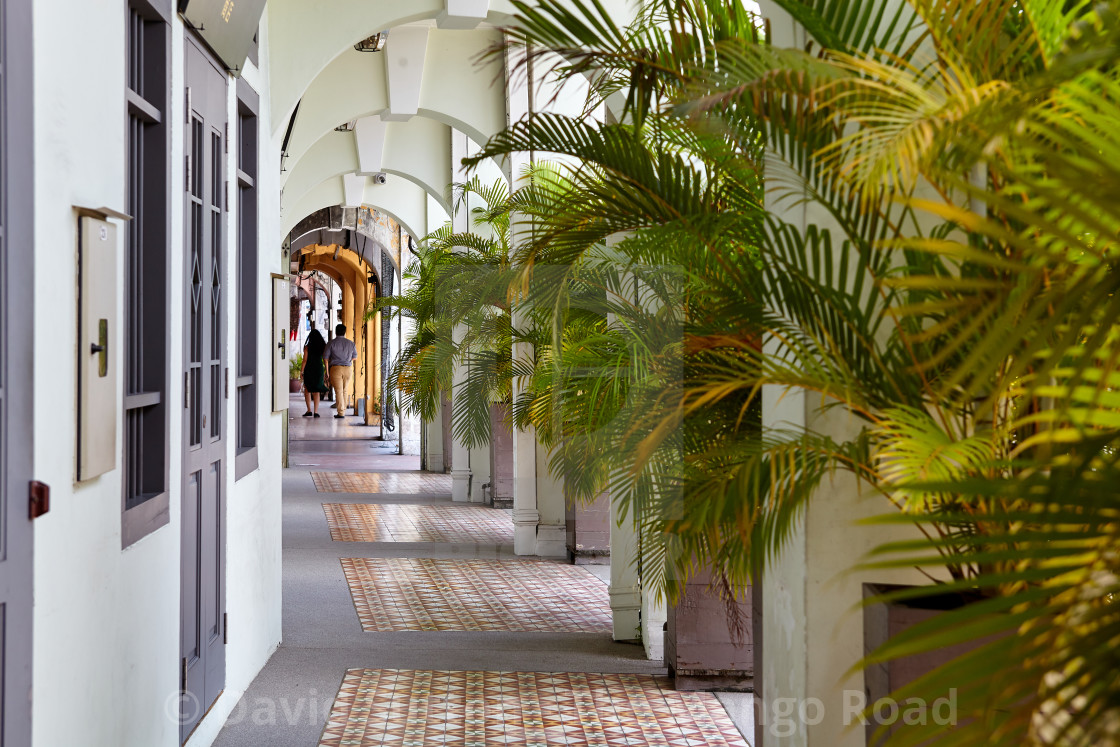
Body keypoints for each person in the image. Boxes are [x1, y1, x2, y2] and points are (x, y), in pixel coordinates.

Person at [323, 323, 358, 418]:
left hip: (335, 368)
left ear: (336, 332)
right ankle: (343, 410)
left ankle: (341, 412)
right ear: (344, 332)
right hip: (348, 369)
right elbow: (355, 357)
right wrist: (347, 360)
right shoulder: (351, 343)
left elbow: (325, 358)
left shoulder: (331, 343)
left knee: (338, 391)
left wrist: (327, 372)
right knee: (345, 390)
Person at [300, 329, 329, 417]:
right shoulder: (323, 346)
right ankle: (316, 412)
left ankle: (309, 410)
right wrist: (327, 371)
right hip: (319, 369)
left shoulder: (307, 347)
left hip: (309, 368)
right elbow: (325, 360)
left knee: (307, 389)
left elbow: (304, 360)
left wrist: (302, 371)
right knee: (317, 390)